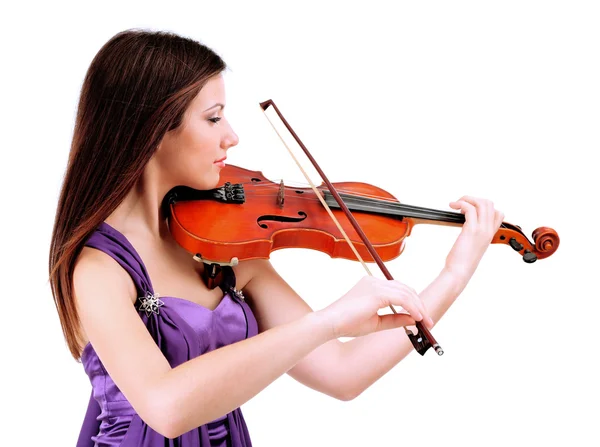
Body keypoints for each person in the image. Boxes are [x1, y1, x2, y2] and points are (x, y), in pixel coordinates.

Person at [48, 29, 504, 446]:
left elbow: (341, 373)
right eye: (213, 118)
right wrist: (326, 320)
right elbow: (167, 408)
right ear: (154, 128)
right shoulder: (98, 267)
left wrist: (454, 274)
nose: (233, 137)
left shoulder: (221, 244)